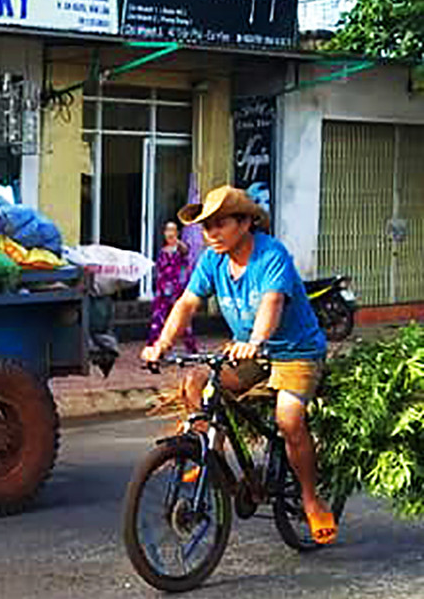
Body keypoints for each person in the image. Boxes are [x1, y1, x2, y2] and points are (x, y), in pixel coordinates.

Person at [141, 186, 336, 544]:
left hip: (295, 351)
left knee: (289, 419)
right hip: (248, 352)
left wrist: (256, 341)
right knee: (196, 382)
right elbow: (186, 303)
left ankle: (311, 499)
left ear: (245, 223)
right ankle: (210, 457)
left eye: (220, 224)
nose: (211, 234)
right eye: (206, 227)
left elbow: (272, 303)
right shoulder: (212, 260)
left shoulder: (271, 255)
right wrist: (161, 345)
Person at [148, 220, 198, 354]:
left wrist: (177, 242)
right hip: (163, 290)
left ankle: (191, 348)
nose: (169, 233)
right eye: (167, 230)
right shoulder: (162, 252)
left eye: (172, 230)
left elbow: (185, 251)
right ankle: (153, 347)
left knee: (182, 319)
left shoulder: (181, 249)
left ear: (177, 233)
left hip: (178, 290)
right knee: (158, 319)